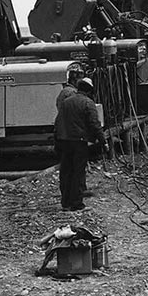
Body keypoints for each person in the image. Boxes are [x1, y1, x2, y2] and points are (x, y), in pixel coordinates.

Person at [54, 77, 108, 211]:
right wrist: (103, 141)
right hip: (79, 142)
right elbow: (95, 124)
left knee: (66, 172)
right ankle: (77, 204)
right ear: (89, 91)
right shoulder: (88, 103)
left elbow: (57, 122)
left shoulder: (66, 102)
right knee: (78, 172)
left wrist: (57, 140)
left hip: (64, 141)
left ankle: (65, 203)